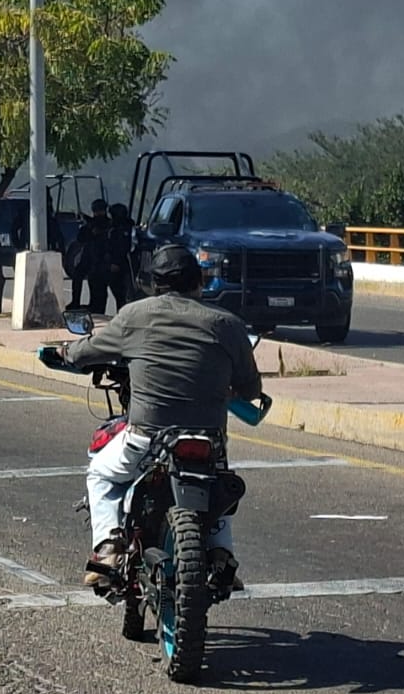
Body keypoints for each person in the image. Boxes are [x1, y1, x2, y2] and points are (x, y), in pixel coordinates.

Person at [63, 244, 262, 591]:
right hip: (208, 439)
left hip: (147, 438)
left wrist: (67, 352)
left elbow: (87, 351)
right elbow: (249, 387)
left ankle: (109, 548)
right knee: (218, 488)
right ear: (198, 281)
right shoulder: (228, 324)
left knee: (101, 474)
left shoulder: (133, 316)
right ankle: (221, 554)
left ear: (153, 284)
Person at [68, 199, 113, 312]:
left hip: (102, 258)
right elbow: (81, 238)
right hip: (89, 256)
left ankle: (97, 307)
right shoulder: (91, 225)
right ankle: (76, 302)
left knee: (98, 284)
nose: (98, 213)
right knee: (79, 276)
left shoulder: (109, 225)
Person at [107, 203, 136, 308]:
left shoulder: (117, 230)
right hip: (128, 264)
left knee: (120, 293)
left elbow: (118, 247)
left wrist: (115, 262)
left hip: (120, 265)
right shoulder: (130, 227)